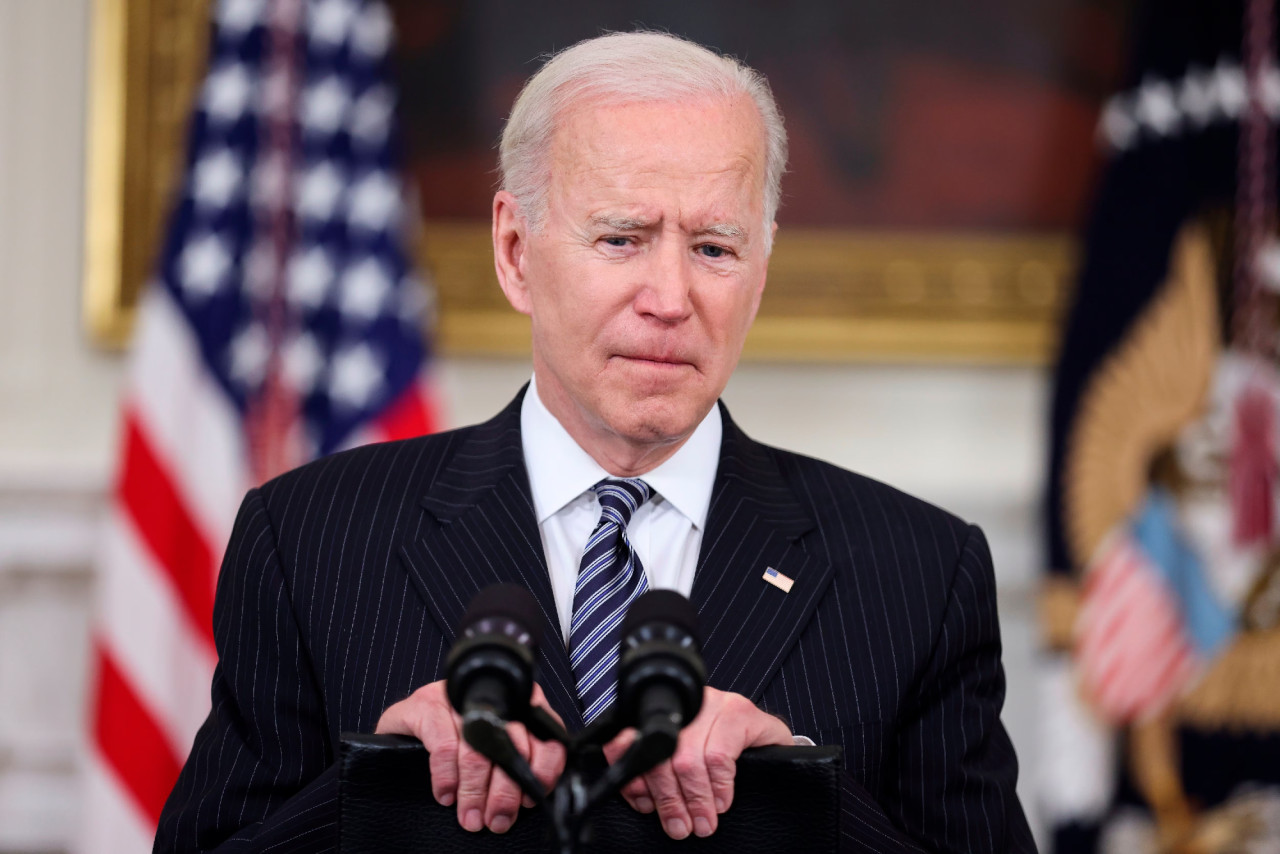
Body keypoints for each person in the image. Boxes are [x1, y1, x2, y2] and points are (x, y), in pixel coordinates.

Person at [155, 31, 1035, 853]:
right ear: (514, 250)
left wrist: (808, 794)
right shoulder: (311, 539)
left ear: (761, 271)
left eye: (715, 249)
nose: (670, 296)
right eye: (622, 238)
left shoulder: (918, 575)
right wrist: (374, 782)